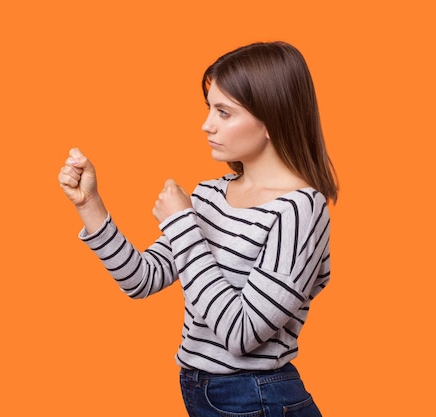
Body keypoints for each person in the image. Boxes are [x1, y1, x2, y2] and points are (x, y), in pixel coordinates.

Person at [58, 41, 338, 417]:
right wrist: (88, 204)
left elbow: (241, 334)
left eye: (224, 112)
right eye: (209, 109)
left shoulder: (300, 211)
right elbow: (141, 280)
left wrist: (180, 224)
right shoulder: (209, 194)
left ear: (273, 118)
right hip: (202, 389)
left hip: (257, 397)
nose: (206, 125)